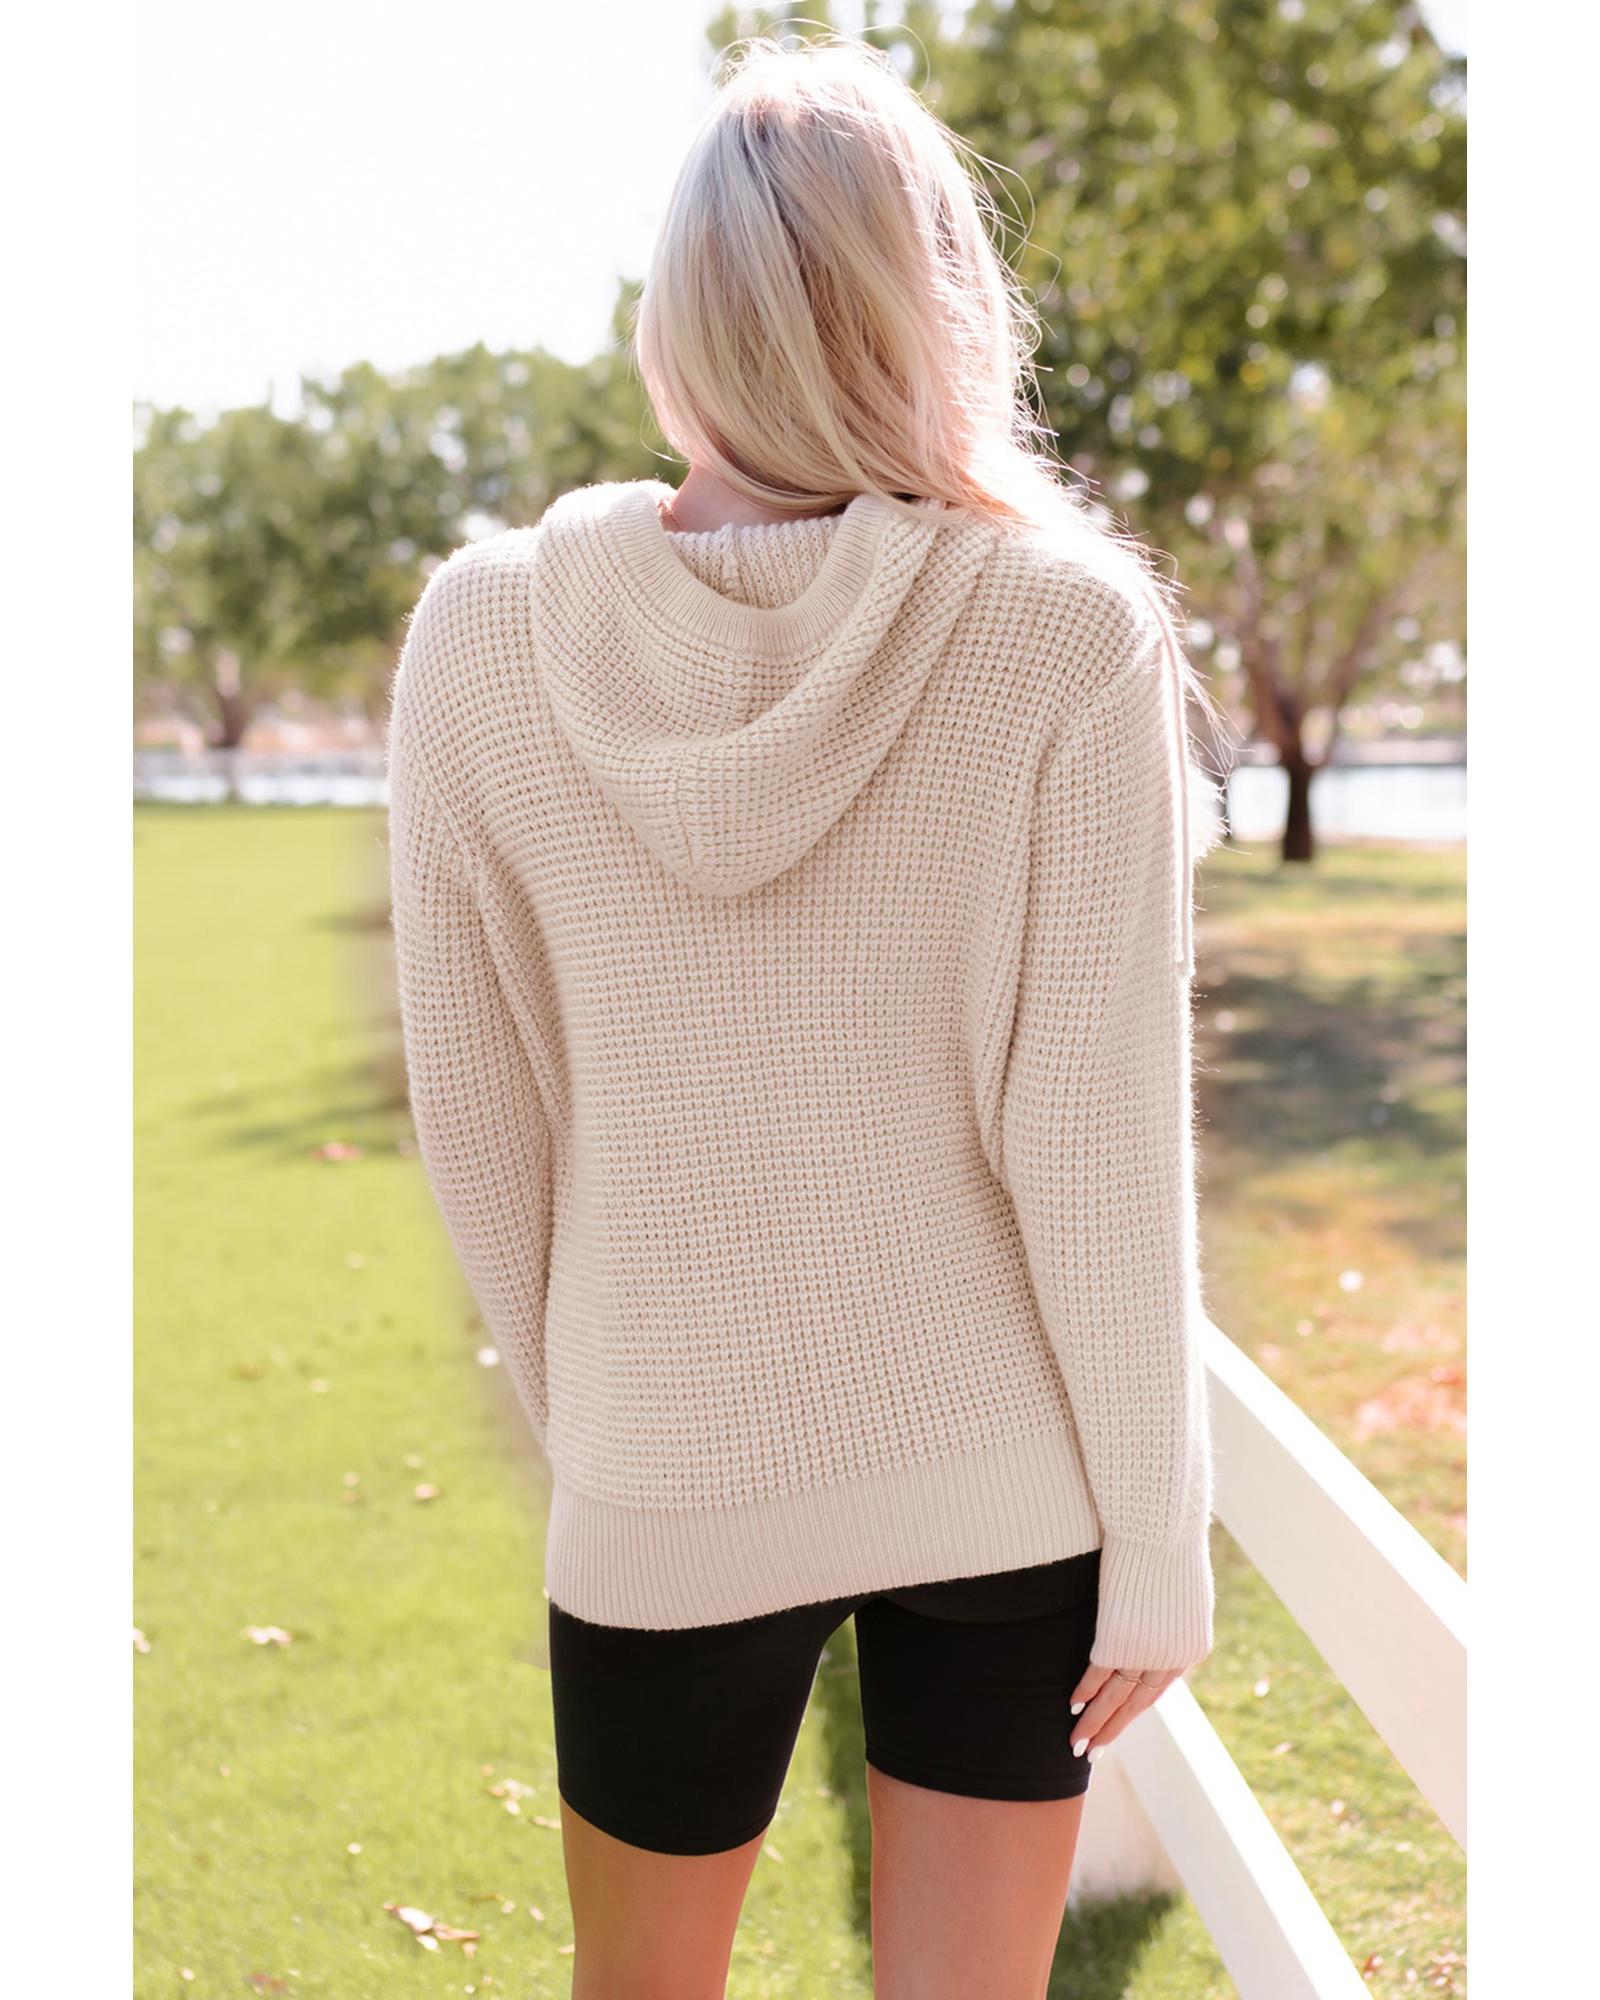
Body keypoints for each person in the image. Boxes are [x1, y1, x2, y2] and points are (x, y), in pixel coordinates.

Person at [387, 31, 1224, 2000]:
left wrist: (612, 1426)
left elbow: (478, 1113)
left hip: (659, 1465)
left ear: (677, 314)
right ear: (939, 302)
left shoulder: (478, 633)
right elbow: (1091, 1133)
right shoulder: (1064, 627)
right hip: (1005, 1480)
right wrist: (1158, 1535)